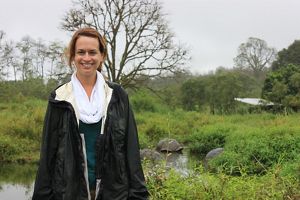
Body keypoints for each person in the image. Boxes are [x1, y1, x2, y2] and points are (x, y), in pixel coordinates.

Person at [32, 27, 149, 200]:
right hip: (69, 193)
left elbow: (130, 148)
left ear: (102, 56)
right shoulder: (60, 98)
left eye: (92, 52)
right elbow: (48, 153)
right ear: (73, 56)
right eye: (81, 52)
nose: (86, 58)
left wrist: (138, 194)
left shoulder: (117, 95)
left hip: (114, 193)